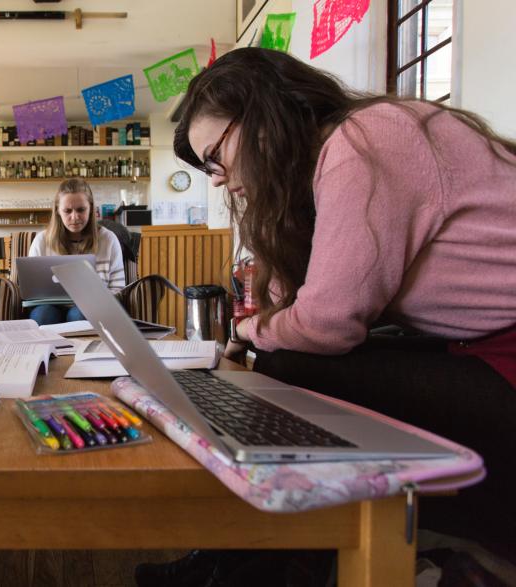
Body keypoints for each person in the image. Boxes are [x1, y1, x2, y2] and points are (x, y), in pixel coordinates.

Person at [136, 47, 516, 586]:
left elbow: (326, 324)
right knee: (280, 366)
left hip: (506, 360)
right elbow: (304, 299)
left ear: (264, 116)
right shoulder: (333, 159)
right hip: (479, 349)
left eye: (215, 157)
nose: (216, 179)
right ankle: (247, 559)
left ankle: (258, 566)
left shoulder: (367, 141)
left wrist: (247, 330)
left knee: (290, 369)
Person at [26, 177, 126, 325]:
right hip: (48, 306)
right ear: (58, 211)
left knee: (79, 314)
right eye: (67, 211)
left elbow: (118, 288)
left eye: (81, 210)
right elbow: (31, 291)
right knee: (43, 315)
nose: (75, 217)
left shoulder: (108, 239)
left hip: (93, 307)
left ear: (91, 208)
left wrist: (97, 300)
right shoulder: (41, 241)